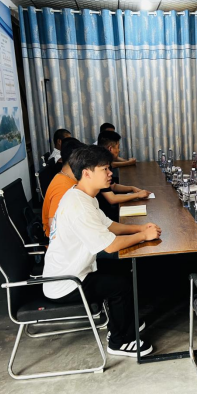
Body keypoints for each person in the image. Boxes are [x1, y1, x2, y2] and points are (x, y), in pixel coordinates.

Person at [43, 145, 161, 357]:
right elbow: (110, 245)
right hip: (66, 282)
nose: (110, 173)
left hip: (77, 269)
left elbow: (109, 225)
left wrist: (140, 228)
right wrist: (144, 236)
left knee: (123, 268)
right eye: (104, 169)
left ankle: (122, 322)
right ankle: (119, 341)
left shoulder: (82, 195)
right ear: (87, 173)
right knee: (119, 286)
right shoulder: (79, 206)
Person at [96, 131, 151, 220]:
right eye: (118, 147)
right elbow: (112, 199)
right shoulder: (99, 166)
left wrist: (132, 188)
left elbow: (113, 186)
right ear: (110, 149)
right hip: (104, 213)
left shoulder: (105, 162)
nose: (119, 150)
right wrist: (137, 195)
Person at [42, 138, 85, 238]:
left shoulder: (68, 178)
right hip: (65, 243)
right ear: (75, 161)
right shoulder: (62, 187)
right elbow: (54, 228)